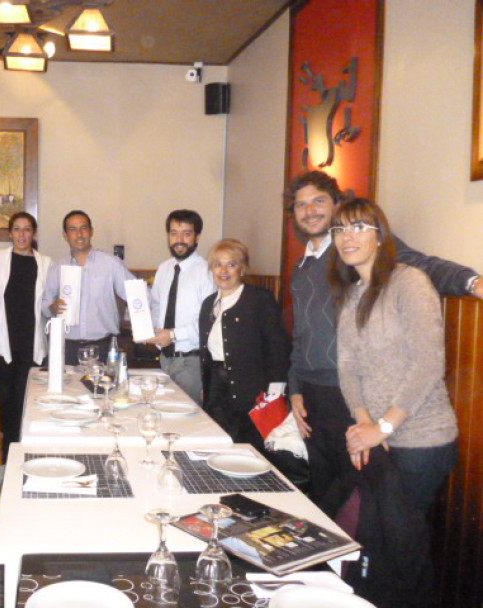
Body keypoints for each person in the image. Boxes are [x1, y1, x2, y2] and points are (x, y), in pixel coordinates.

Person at [285, 170, 481, 512]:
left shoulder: (360, 250)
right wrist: (295, 387)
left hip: (356, 402)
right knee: (324, 495)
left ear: (337, 204)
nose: (310, 211)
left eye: (319, 201)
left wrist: (470, 282)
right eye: (301, 205)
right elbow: (302, 336)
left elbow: (421, 266)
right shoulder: (302, 268)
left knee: (362, 510)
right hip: (320, 397)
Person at [329, 199, 458, 514]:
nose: (348, 237)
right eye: (340, 229)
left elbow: (427, 365)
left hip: (421, 442)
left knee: (401, 545)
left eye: (359, 227)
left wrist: (382, 428)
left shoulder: (408, 281)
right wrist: (364, 427)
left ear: (380, 236)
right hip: (377, 438)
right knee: (376, 539)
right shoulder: (350, 296)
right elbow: (347, 369)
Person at [198, 239, 290, 450]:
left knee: (249, 449)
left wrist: (275, 392)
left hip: (251, 391)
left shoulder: (259, 299)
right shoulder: (208, 304)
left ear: (243, 268)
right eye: (217, 264)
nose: (223, 270)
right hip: (216, 391)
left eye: (231, 264)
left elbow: (277, 347)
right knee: (218, 445)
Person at [0, 212, 52, 454]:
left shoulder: (45, 263)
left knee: (26, 398)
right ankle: (5, 452)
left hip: (31, 340)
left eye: (27, 229)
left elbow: (48, 302)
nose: (22, 234)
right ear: (10, 233)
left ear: (33, 233)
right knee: (3, 400)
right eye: (17, 229)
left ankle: (24, 449)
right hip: (3, 340)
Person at [41, 210, 134, 365]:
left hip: (104, 347)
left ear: (91, 231)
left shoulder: (111, 264)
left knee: (104, 388)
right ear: (65, 235)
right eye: (73, 229)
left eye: (84, 228)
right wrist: (52, 307)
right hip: (67, 347)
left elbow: (135, 294)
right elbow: (44, 306)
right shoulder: (57, 268)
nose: (79, 234)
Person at [145, 210, 215, 405]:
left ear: (197, 237)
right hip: (165, 359)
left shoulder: (207, 272)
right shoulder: (164, 268)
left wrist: (173, 335)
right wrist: (152, 330)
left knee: (188, 419)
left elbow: (208, 320)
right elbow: (156, 305)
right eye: (174, 233)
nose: (179, 239)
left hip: (190, 361)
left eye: (186, 233)